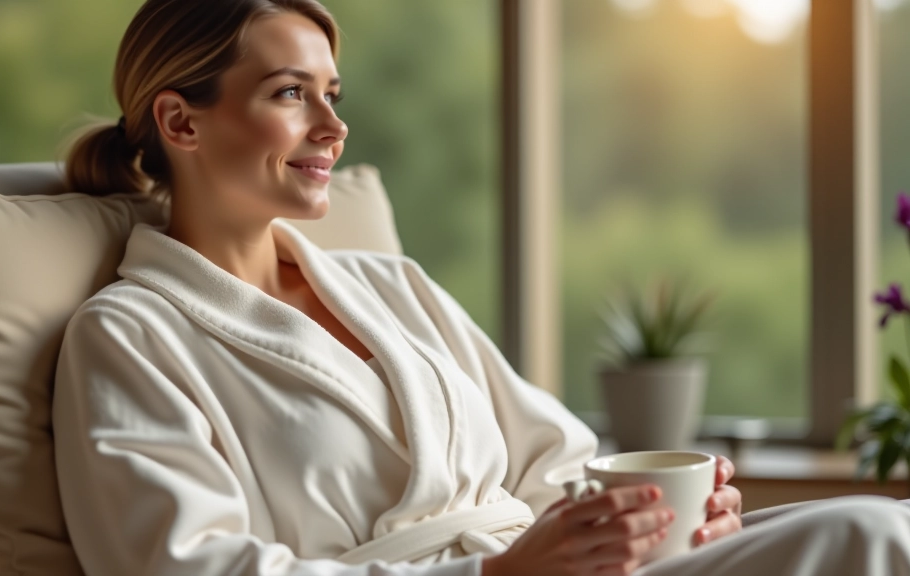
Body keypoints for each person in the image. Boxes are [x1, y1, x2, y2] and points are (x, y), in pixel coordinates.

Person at [52, 1, 910, 575]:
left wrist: (659, 525)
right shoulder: (131, 337)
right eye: (290, 94)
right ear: (180, 120)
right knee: (864, 534)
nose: (333, 126)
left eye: (333, 95)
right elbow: (190, 567)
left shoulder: (391, 287)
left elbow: (560, 461)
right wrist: (495, 573)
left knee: (892, 529)